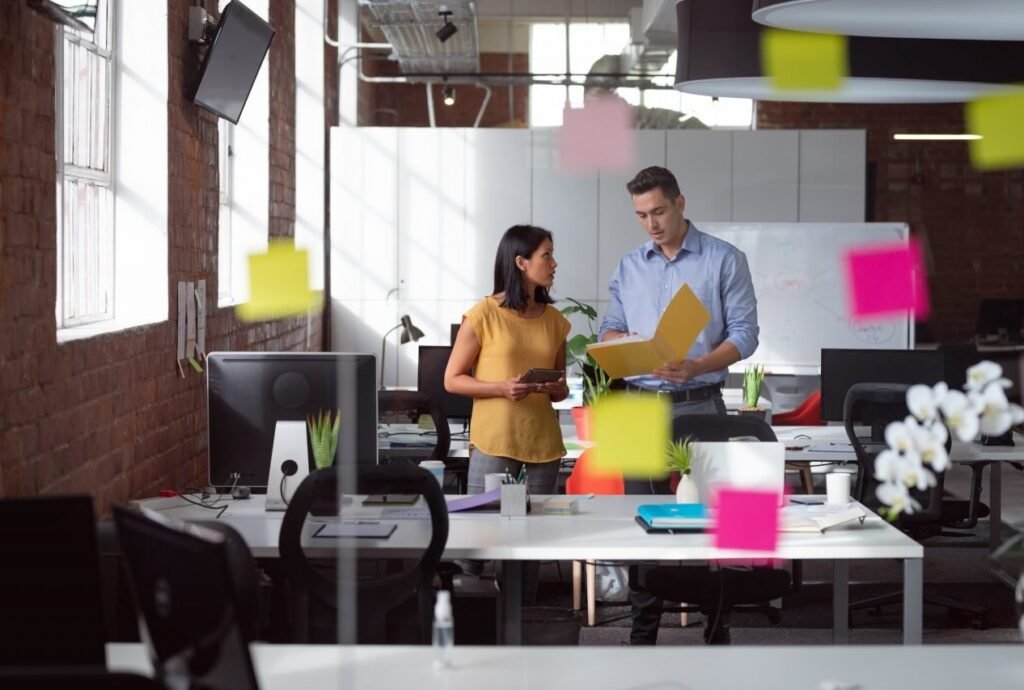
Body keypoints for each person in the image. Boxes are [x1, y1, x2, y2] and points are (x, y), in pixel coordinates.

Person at [598, 165, 759, 645]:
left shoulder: (724, 260)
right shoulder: (629, 265)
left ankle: (717, 628)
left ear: (680, 204)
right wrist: (620, 344)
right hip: (638, 404)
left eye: (659, 211)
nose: (651, 223)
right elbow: (609, 327)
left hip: (699, 399)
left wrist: (697, 364)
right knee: (641, 518)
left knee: (716, 519)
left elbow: (746, 336)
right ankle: (642, 634)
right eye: (641, 215)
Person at [445, 224, 570, 496]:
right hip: (494, 440)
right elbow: (452, 380)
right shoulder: (483, 315)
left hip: (544, 443)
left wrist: (559, 389)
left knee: (543, 533)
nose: (554, 263)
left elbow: (560, 389)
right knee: (484, 528)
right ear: (521, 262)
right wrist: (502, 388)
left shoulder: (556, 322)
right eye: (546, 255)